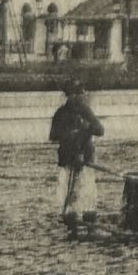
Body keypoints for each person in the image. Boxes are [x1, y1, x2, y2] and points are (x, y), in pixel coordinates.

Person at [48, 79, 106, 238]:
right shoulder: (61, 113)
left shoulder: (85, 111)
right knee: (66, 193)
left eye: (80, 94)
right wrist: (69, 133)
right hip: (68, 159)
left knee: (86, 192)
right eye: (76, 94)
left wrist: (86, 127)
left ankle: (90, 227)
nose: (79, 97)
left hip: (84, 160)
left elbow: (100, 130)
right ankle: (71, 227)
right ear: (69, 95)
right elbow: (53, 135)